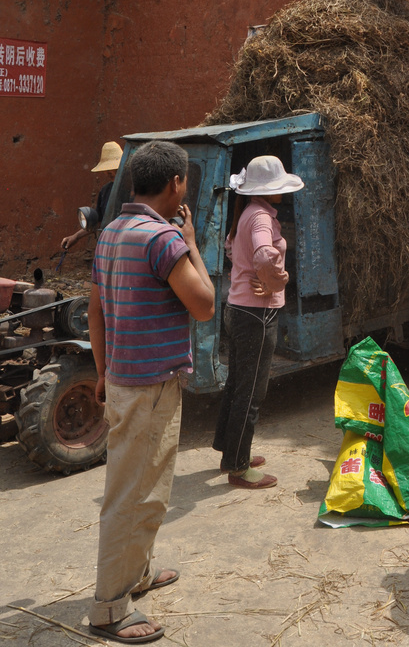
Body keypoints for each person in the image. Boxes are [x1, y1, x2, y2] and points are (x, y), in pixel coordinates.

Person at [87, 140, 215, 644]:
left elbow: (97, 309)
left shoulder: (113, 231)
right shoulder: (163, 240)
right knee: (132, 494)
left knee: (146, 491)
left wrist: (101, 371)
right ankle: (109, 609)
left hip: (122, 379)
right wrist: (192, 242)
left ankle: (134, 575)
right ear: (175, 185)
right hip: (150, 386)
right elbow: (204, 305)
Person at [213, 155, 304, 489]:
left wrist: (260, 276)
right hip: (257, 313)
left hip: (238, 308)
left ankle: (230, 449)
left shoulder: (247, 213)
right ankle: (238, 466)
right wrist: (278, 281)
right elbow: (265, 255)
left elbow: (235, 252)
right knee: (251, 391)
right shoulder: (263, 217)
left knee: (238, 383)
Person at [61, 140, 123, 251]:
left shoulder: (134, 190)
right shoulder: (105, 191)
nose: (108, 173)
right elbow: (97, 222)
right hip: (108, 245)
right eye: (106, 170)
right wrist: (76, 237)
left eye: (112, 169)